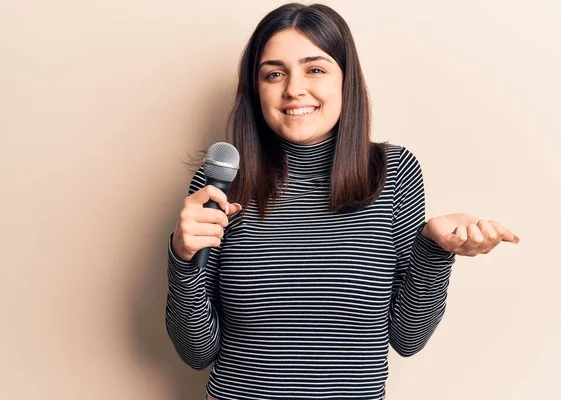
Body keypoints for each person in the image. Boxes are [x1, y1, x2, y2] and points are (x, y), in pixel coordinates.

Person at [166, 3, 520, 400]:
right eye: (274, 74)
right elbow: (196, 352)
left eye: (314, 69)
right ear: (256, 89)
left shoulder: (393, 172)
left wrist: (434, 249)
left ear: (345, 80)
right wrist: (182, 257)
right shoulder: (223, 181)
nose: (294, 88)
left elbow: (408, 339)